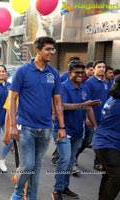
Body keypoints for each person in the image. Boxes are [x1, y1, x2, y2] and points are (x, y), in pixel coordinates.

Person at [9, 36, 66, 200]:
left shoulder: (54, 73)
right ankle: (18, 193)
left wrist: (61, 127)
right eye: (48, 49)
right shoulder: (23, 71)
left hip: (46, 128)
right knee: (27, 165)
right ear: (38, 51)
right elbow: (12, 98)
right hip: (25, 126)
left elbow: (57, 101)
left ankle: (32, 197)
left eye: (53, 49)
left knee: (37, 166)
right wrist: (13, 125)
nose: (52, 52)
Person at [52, 60, 99, 200]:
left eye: (82, 73)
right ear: (69, 73)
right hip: (63, 130)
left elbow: (88, 107)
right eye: (76, 73)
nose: (80, 75)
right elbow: (62, 106)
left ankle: (64, 187)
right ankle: (56, 190)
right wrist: (83, 104)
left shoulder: (85, 88)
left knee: (70, 161)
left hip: (78, 131)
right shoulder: (62, 87)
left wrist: (95, 126)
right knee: (65, 160)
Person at [92, 74, 120, 200]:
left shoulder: (114, 98)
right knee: (117, 177)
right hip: (107, 145)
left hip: (104, 142)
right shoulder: (117, 102)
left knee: (109, 175)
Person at [83, 60, 109, 171]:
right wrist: (87, 117)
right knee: (87, 140)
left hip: (103, 118)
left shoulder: (105, 83)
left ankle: (98, 162)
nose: (102, 69)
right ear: (94, 69)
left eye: (103, 67)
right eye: (99, 67)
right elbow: (86, 101)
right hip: (92, 117)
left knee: (101, 141)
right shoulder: (89, 83)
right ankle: (74, 157)